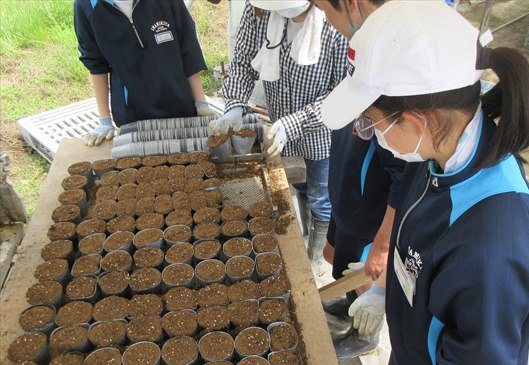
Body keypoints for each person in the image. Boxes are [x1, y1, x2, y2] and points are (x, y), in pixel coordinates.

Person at [321, 3, 529, 365]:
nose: (370, 134)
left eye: (374, 123)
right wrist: (388, 289)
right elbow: (415, 231)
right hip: (417, 355)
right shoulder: (437, 154)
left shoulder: (492, 241)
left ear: (418, 119)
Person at [212, 1, 348, 276]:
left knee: (322, 195)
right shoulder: (260, 11)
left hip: (322, 130)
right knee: (300, 187)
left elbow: (342, 92)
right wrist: (235, 106)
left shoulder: (334, 22)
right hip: (280, 122)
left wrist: (294, 124)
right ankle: (307, 237)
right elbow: (242, 63)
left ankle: (319, 258)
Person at [312, 0, 405, 358]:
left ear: (351, 4)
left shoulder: (393, 62)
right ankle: (348, 299)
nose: (326, 20)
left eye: (325, 10)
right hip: (350, 182)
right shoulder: (362, 41)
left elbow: (400, 174)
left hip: (373, 206)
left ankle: (365, 334)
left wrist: (382, 246)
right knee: (345, 261)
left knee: (367, 268)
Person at [74, 0, 216, 147]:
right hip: (132, 116)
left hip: (181, 106)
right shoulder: (87, 6)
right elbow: (96, 64)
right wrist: (104, 120)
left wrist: (201, 102)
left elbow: (188, 47)